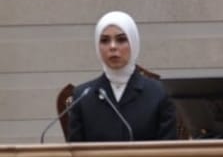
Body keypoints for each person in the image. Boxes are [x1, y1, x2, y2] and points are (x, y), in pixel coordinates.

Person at [67, 11, 178, 142]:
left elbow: (168, 152)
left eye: (121, 39)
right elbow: (76, 154)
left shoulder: (158, 93)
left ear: (134, 43)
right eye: (104, 40)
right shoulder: (82, 96)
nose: (112, 47)